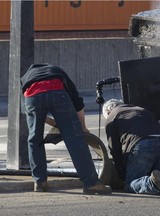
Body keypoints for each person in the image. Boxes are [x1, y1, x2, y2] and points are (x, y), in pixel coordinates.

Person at [21, 63, 112, 195]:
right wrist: (82, 128)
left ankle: (40, 182)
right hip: (56, 91)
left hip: (32, 97)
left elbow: (31, 110)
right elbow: (77, 103)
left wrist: (55, 123)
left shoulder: (26, 77)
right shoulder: (57, 71)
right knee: (75, 139)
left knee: (34, 139)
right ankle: (91, 183)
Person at [102, 99, 160, 196]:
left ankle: (152, 183)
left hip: (142, 145)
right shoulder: (140, 109)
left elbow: (115, 149)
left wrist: (122, 174)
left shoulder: (112, 117)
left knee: (131, 183)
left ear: (108, 112)